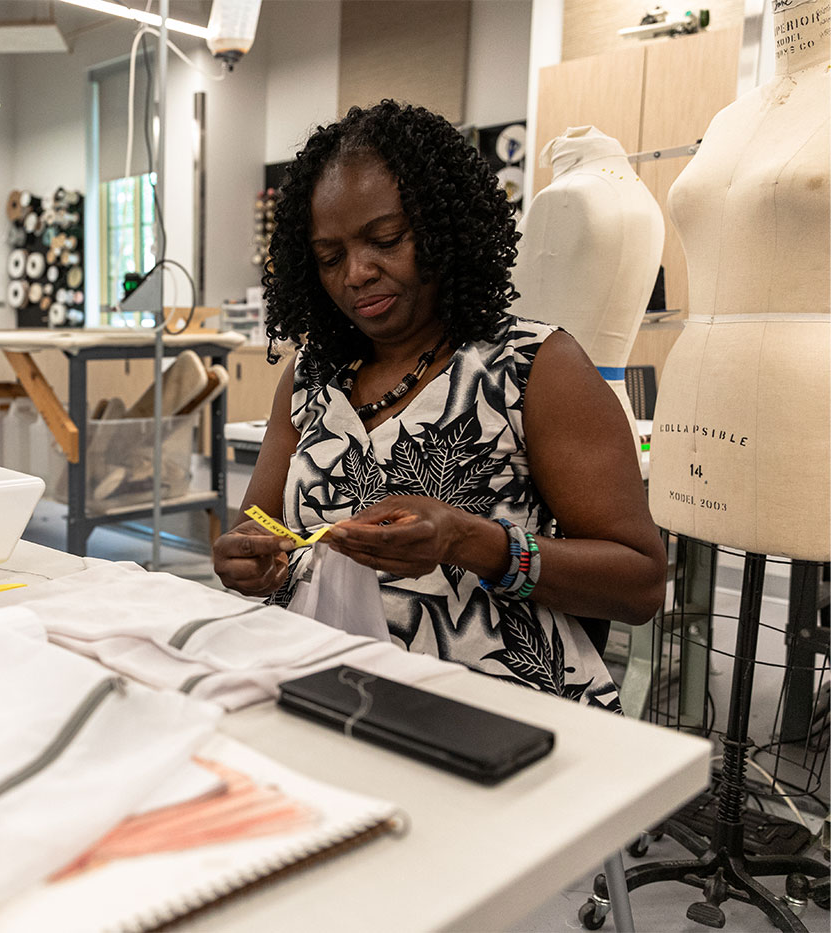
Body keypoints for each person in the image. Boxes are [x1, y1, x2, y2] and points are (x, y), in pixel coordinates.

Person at [211, 101, 666, 710]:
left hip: (491, 704)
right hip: (316, 685)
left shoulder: (537, 367)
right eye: (329, 257)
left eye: (387, 240)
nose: (357, 273)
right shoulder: (307, 378)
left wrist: (470, 541)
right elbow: (257, 528)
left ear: (444, 228)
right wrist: (246, 560)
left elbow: (638, 584)